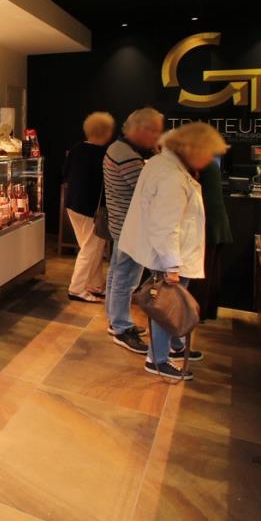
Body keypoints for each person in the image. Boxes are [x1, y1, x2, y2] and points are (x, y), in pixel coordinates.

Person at [120, 122, 229, 381]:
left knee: (171, 304)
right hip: (171, 253)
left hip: (171, 250)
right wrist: (171, 265)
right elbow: (165, 225)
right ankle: (157, 358)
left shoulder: (165, 165)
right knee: (167, 305)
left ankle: (174, 345)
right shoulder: (171, 176)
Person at [103, 107, 163, 355]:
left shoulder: (117, 148)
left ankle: (115, 321)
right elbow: (149, 192)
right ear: (141, 130)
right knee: (125, 278)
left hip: (121, 225)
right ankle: (121, 327)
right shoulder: (127, 156)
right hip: (130, 227)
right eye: (155, 131)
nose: (158, 137)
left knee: (117, 274)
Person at [63, 112, 116, 303]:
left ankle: (95, 284)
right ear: (106, 132)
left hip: (73, 204)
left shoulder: (76, 148)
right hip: (90, 208)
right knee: (91, 248)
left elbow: (65, 174)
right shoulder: (103, 154)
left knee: (92, 247)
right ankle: (77, 288)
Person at [190, 160, 232, 321]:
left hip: (207, 225)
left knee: (202, 273)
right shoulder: (209, 162)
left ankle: (197, 313)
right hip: (215, 224)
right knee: (211, 272)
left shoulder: (198, 164)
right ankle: (206, 311)